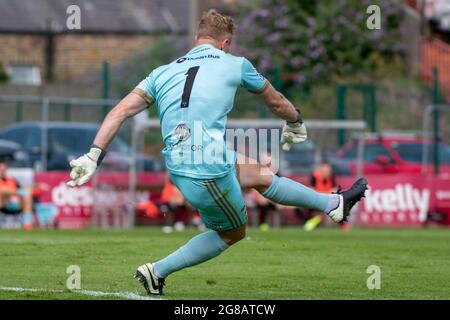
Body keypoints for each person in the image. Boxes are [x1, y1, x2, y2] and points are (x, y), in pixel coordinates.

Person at [66, 10, 368, 295]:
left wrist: (93, 156)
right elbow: (275, 101)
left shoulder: (162, 72)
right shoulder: (235, 63)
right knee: (233, 233)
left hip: (182, 161)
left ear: (198, 39)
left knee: (260, 174)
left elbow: (119, 112)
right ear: (225, 43)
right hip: (205, 167)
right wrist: (295, 120)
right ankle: (157, 272)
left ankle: (334, 203)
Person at [0, 158, 34, 230]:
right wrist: (17, 191)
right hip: (3, 203)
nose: (2, 171)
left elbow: (23, 189)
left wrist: (36, 185)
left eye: (3, 169)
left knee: (27, 195)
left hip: (15, 203)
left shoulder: (12, 180)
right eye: (1, 169)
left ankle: (27, 225)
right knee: (3, 191)